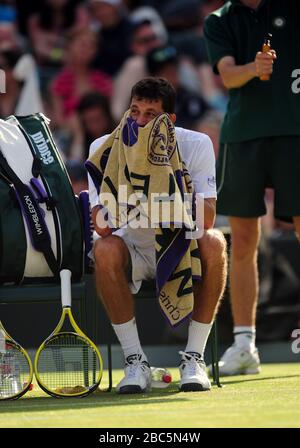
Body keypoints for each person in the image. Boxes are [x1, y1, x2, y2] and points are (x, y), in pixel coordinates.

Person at [87, 77, 227, 393]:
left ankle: (194, 359)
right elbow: (102, 225)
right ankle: (135, 362)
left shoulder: (197, 144)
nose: (139, 120)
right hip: (132, 249)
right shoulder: (103, 147)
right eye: (135, 111)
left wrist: (150, 194)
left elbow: (206, 219)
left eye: (150, 114)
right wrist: (164, 203)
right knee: (105, 249)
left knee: (215, 242)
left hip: (182, 247)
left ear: (169, 121)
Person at [204, 0, 300, 375]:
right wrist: (254, 68)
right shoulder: (219, 21)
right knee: (242, 241)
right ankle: (245, 344)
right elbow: (227, 76)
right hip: (243, 137)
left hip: (295, 132)